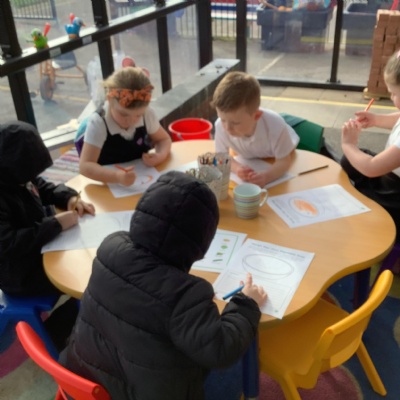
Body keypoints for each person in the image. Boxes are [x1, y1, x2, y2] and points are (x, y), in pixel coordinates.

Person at [61, 171, 267, 400]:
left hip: (81, 385)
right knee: (243, 351)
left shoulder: (111, 247)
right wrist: (246, 303)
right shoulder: (186, 294)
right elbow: (221, 349)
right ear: (202, 242)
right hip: (135, 394)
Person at [0, 121, 95, 349]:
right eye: (26, 175)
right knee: (87, 276)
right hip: (18, 273)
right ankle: (60, 330)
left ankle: (79, 316)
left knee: (89, 264)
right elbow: (8, 243)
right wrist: (55, 224)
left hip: (40, 250)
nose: (30, 179)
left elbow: (41, 186)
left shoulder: (16, 175)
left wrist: (69, 197)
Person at [341, 50, 400, 240]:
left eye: (394, 93)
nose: (391, 97)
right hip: (392, 178)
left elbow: (372, 168)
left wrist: (348, 144)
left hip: (396, 195)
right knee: (352, 161)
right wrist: (376, 119)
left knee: (353, 162)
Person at [79, 66, 171, 187]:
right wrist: (117, 177)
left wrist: (160, 155)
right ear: (110, 100)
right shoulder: (99, 122)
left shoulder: (147, 114)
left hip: (141, 178)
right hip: (108, 184)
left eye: (138, 115)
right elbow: (85, 166)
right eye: (123, 114)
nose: (131, 121)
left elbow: (163, 139)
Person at [212, 71, 299, 188]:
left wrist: (266, 177)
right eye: (222, 119)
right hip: (248, 156)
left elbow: (284, 161)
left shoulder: (276, 127)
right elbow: (221, 158)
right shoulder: (220, 126)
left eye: (235, 123)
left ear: (257, 116)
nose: (227, 128)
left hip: (280, 152)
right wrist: (237, 168)